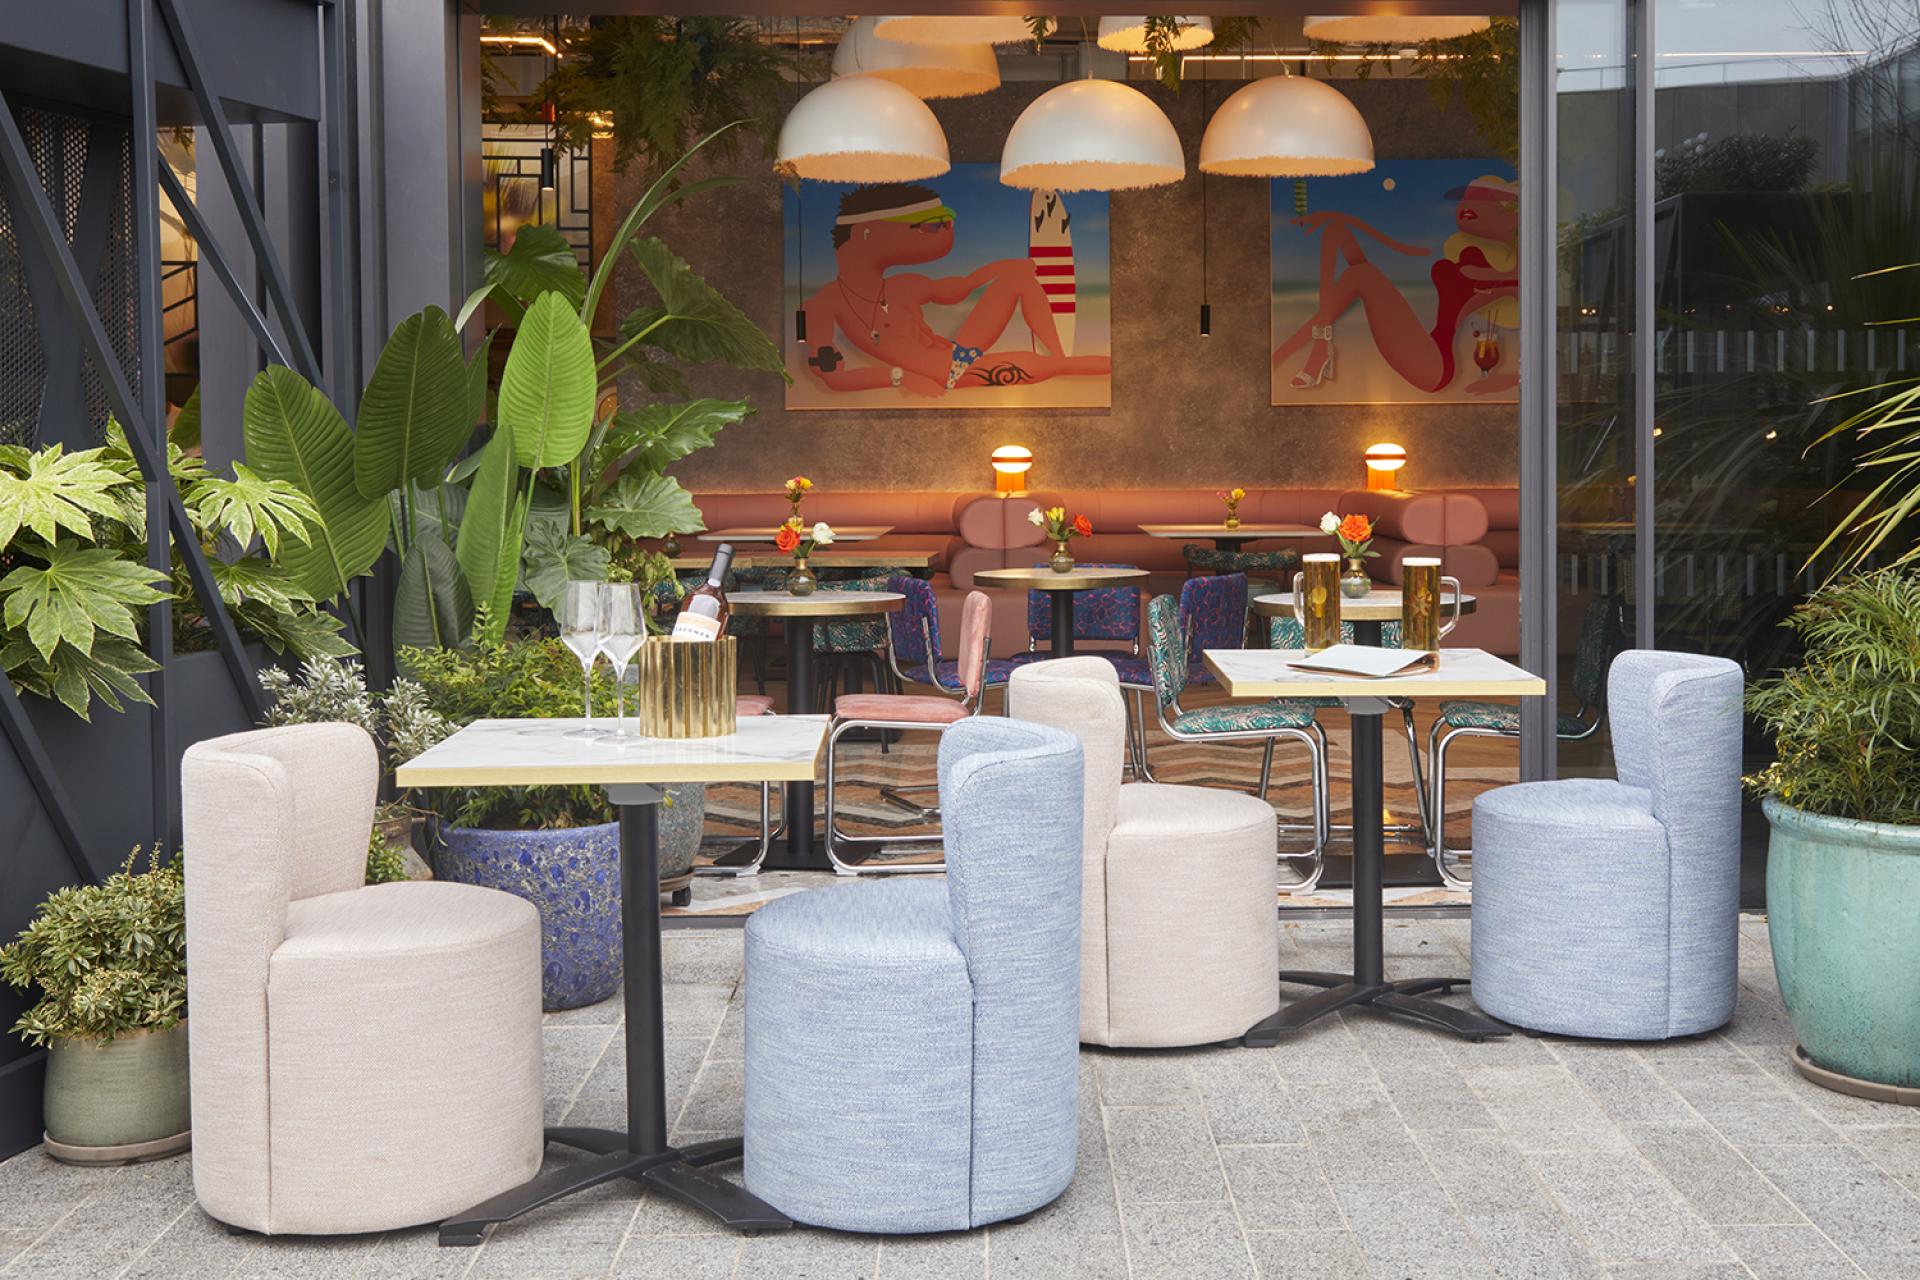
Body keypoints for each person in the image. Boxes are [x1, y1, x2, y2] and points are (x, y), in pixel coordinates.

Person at [800, 182, 1111, 397]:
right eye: (931, 225)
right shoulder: (823, 305)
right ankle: (1070, 360)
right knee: (1060, 368)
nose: (944, 232)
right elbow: (833, 376)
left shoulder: (903, 286)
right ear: (865, 232)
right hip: (947, 375)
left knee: (1018, 278)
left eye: (945, 222)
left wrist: (1003, 266)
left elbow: (962, 288)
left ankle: (1057, 347)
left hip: (957, 351)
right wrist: (901, 377)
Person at [1273, 174, 1519, 397]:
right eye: (1466, 198)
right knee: (1335, 232)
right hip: (1429, 345)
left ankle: (1300, 353)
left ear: (1514, 213)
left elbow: (1546, 340)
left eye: (1484, 199)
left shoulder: (1521, 279)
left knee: (1362, 275)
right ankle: (1315, 349)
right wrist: (1340, 217)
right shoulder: (1475, 256)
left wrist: (1511, 381)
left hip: (1434, 366)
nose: (1467, 204)